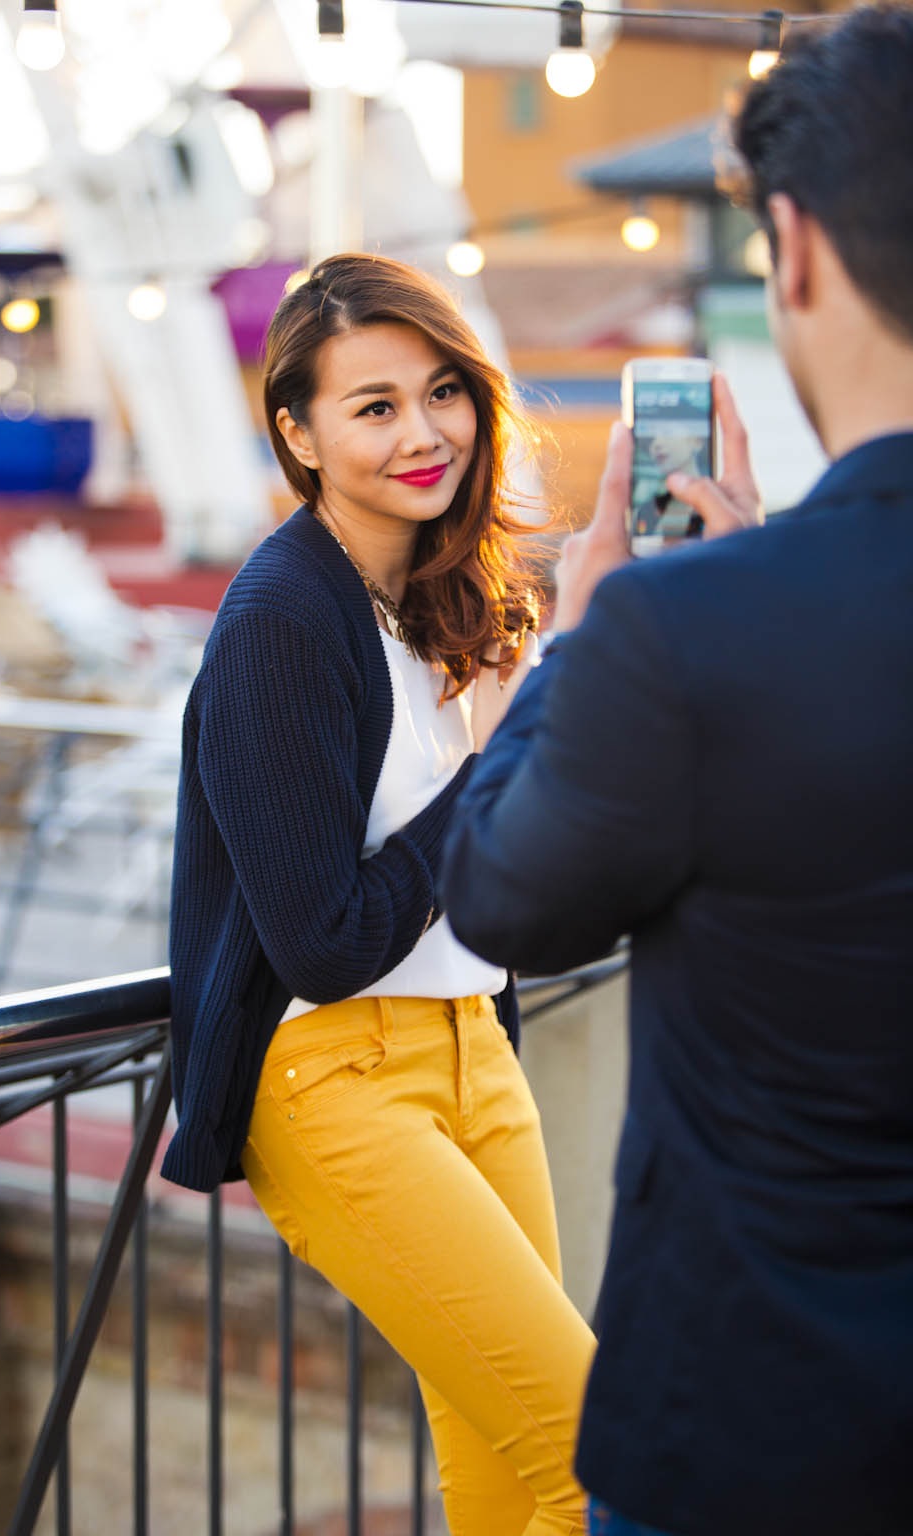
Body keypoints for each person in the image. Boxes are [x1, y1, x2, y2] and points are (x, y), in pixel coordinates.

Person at [441, 6, 913, 1535]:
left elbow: (503, 896)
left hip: (751, 1430)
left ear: (794, 248)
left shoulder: (692, 632)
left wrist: (589, 634)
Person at [160, 252, 596, 1535]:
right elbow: (324, 941)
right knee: (603, 1457)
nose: (425, 432)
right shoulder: (280, 619)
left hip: (475, 1047)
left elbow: (493, 863)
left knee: (509, 1485)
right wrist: (496, 762)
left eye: (443, 391)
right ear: (297, 433)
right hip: (334, 1085)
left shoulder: (443, 596)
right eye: (374, 406)